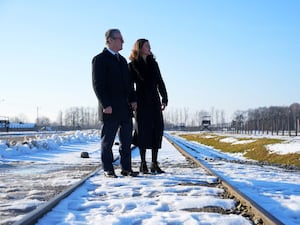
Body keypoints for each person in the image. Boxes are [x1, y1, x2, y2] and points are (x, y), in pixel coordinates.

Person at [92, 29, 138, 178]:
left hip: (125, 108)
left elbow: (129, 84)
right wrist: (106, 104)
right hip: (110, 108)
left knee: (126, 141)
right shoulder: (100, 59)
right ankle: (108, 169)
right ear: (110, 40)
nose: (122, 42)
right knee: (108, 141)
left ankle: (126, 168)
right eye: (120, 39)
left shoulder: (123, 60)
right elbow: (98, 85)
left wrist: (133, 100)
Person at [128, 39, 168, 174]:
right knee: (142, 131)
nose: (149, 47)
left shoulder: (154, 63)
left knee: (157, 128)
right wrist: (133, 101)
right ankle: (143, 163)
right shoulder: (133, 65)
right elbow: (129, 86)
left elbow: (160, 81)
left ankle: (154, 163)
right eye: (146, 46)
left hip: (155, 101)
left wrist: (164, 98)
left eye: (149, 45)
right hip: (141, 101)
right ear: (139, 48)